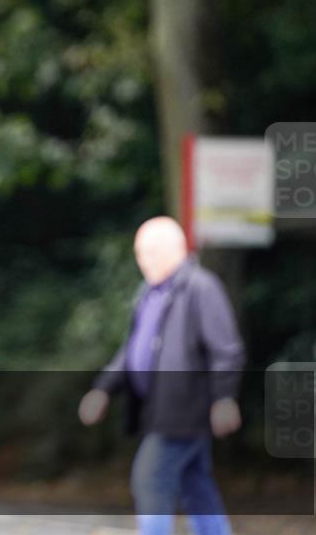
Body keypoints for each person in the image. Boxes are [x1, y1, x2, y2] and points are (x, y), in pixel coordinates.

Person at [78, 216, 245, 535]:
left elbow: (227, 348)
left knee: (149, 477)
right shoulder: (150, 293)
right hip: (158, 410)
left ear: (174, 249)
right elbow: (132, 351)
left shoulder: (200, 287)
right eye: (140, 253)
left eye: (148, 252)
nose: (142, 260)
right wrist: (103, 389)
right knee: (196, 486)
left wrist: (224, 397)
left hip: (184, 410)